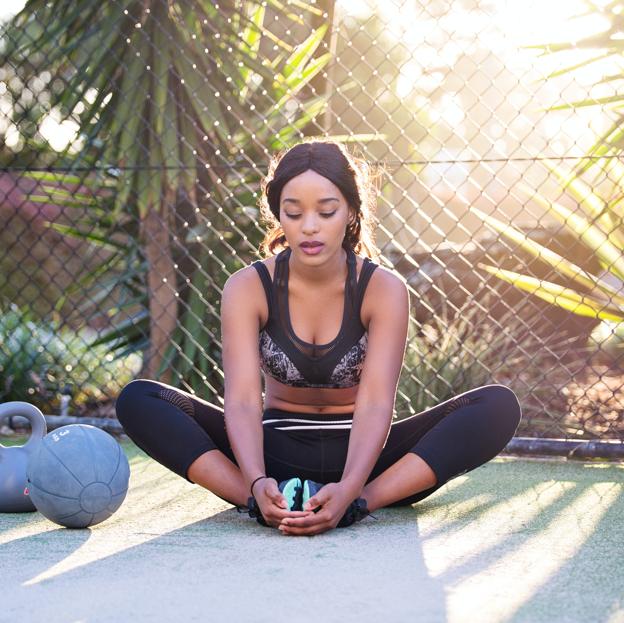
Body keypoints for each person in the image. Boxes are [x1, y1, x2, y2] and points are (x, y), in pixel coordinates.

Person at [115, 139, 522, 537]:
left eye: (326, 211)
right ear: (278, 215)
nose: (309, 226)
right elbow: (240, 400)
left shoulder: (383, 289)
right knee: (140, 400)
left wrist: (352, 492)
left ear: (349, 211)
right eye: (293, 213)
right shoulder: (248, 287)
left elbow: (377, 401)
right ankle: (263, 504)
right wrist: (256, 481)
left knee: (496, 406)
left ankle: (363, 503)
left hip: (365, 458)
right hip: (274, 452)